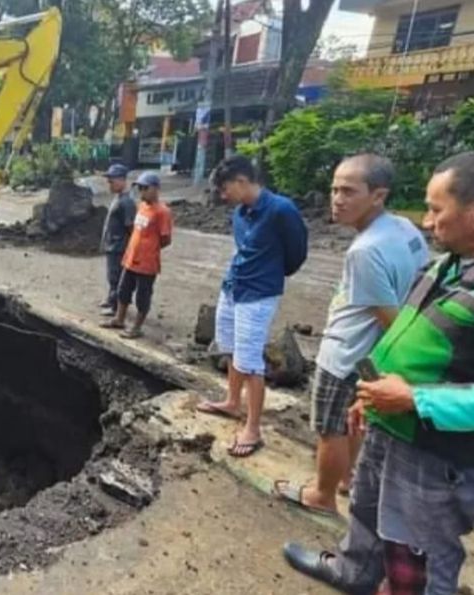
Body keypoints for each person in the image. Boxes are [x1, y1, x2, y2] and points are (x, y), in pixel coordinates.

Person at [284, 152, 474, 594]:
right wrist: (371, 393)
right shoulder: (449, 264)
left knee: (417, 548)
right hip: (390, 417)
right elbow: (404, 331)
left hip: (433, 445)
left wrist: (415, 400)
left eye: (436, 209)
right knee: (368, 509)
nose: (426, 223)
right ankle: (353, 573)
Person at [272, 155, 428, 516]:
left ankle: (322, 496)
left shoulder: (364, 251)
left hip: (347, 354)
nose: (337, 199)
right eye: (334, 189)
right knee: (356, 419)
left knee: (330, 427)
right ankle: (346, 478)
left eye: (348, 191)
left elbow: (390, 319)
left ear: (378, 195)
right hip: (372, 355)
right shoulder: (405, 229)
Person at [196, 155, 308, 457]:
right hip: (234, 287)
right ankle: (233, 402)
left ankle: (253, 427)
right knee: (230, 347)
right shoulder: (240, 213)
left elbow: (296, 254)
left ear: (242, 182)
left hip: (258, 295)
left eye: (225, 189)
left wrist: (269, 273)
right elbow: (243, 249)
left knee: (250, 362)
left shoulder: (280, 210)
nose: (223, 196)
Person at [100, 171, 172, 338]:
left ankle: (137, 327)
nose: (141, 192)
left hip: (147, 263)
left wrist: (150, 249)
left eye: (145, 188)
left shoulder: (162, 212)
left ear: (155, 189)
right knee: (123, 290)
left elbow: (166, 239)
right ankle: (119, 319)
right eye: (139, 188)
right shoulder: (141, 207)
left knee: (142, 296)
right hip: (131, 258)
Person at [99, 163, 137, 315]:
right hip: (112, 245)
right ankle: (111, 299)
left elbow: (131, 227)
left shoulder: (126, 202)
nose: (109, 184)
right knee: (112, 275)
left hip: (119, 247)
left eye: (112, 181)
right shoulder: (118, 198)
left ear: (122, 180)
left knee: (117, 278)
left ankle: (116, 307)